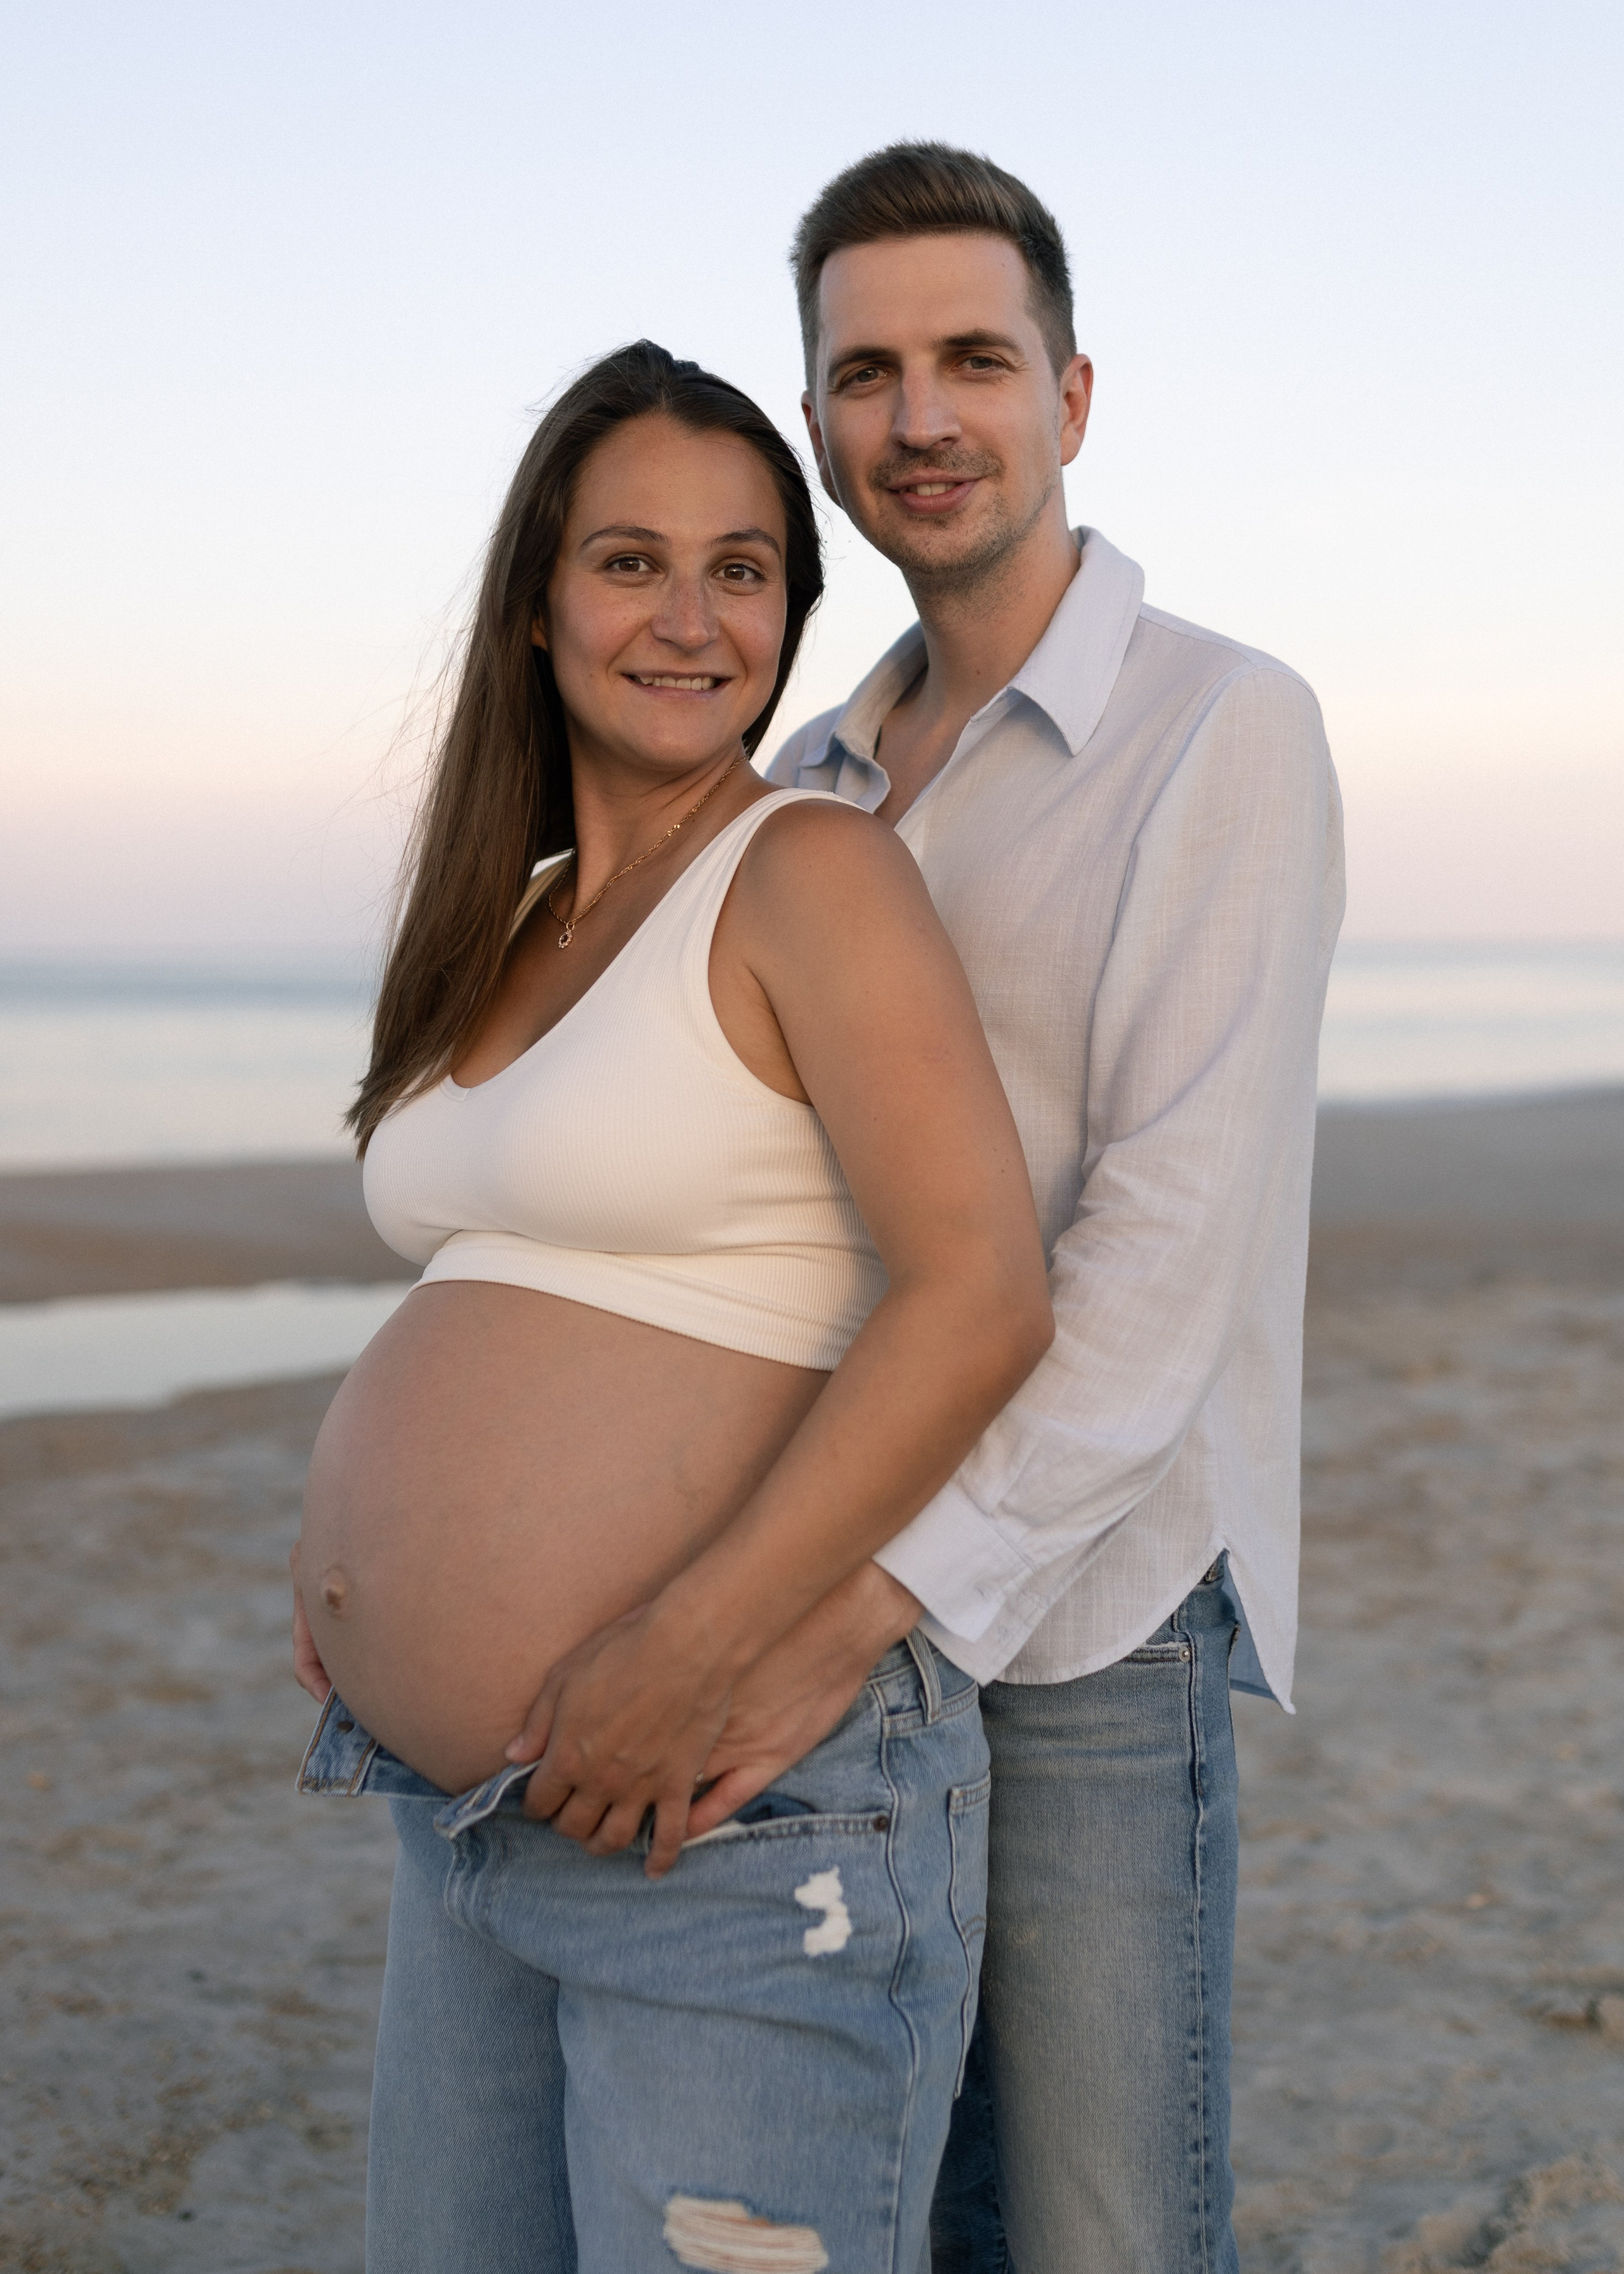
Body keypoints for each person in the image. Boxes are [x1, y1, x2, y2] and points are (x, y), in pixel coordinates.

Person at [288, 339, 1054, 2273]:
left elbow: (979, 1298)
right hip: (458, 1823)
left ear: (793, 609)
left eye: (743, 569)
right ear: (538, 597)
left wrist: (691, 1646)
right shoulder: (518, 916)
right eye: (632, 561)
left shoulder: (811, 872)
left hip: (731, 1812)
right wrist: (367, 1588)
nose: (691, 619)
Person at [679, 143, 1343, 2272]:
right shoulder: (808, 786)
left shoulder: (1222, 729)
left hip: (1089, 1611)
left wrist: (860, 1606)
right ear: (819, 431)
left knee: (1096, 2219)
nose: (922, 416)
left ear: (1072, 394)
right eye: (866, 373)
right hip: (840, 1583)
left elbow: (1164, 1270)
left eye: (976, 356)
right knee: (896, 2194)